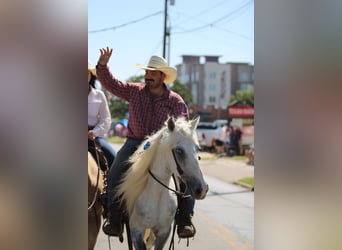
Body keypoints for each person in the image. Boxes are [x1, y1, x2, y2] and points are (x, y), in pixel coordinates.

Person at [95, 47, 196, 239]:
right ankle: (114, 218)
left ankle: (185, 218)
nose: (148, 76)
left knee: (188, 173)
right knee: (115, 172)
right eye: (146, 72)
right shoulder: (135, 92)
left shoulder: (175, 101)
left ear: (162, 76)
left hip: (163, 147)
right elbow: (113, 85)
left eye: (152, 73)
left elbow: (182, 127)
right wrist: (102, 66)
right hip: (135, 143)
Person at [88, 61, 116, 171]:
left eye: (87, 73)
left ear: (91, 76)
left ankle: (112, 188)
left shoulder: (99, 95)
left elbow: (106, 119)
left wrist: (95, 132)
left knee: (113, 157)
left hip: (95, 136)